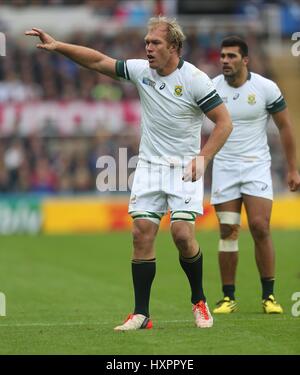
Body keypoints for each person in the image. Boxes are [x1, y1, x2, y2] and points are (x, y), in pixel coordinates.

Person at [25, 17, 232, 330]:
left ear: (174, 47)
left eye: (155, 43)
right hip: (149, 166)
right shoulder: (140, 71)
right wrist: (58, 46)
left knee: (182, 235)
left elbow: (224, 123)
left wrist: (203, 158)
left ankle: (199, 301)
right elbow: (97, 61)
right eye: (147, 42)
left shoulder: (196, 79)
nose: (148, 47)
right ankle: (141, 314)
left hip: (185, 166)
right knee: (140, 233)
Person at [210, 36, 300, 314]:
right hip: (224, 167)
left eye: (231, 56)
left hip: (256, 166)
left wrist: (293, 167)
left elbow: (285, 127)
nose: (225, 60)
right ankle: (228, 297)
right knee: (228, 231)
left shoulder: (265, 88)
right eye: (223, 56)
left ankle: (269, 296)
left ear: (245, 60)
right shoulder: (211, 88)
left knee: (260, 227)